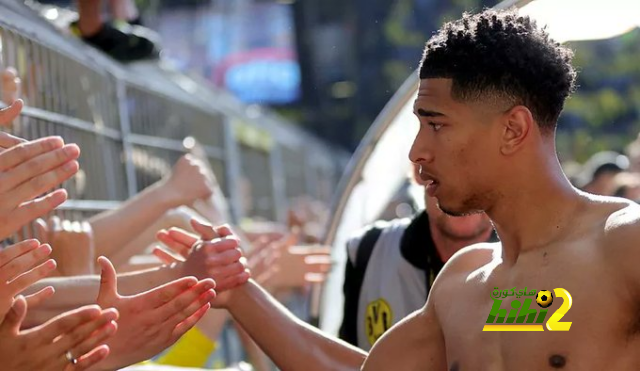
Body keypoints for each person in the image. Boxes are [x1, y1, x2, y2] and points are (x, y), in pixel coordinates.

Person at [179, 8, 640, 371]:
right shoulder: (464, 281)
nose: (417, 152)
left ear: (513, 129)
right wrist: (238, 290)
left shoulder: (624, 243)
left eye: (436, 125)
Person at [339, 167, 496, 350]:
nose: (465, 189)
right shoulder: (368, 249)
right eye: (453, 166)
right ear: (418, 169)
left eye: (482, 169)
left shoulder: (532, 270)